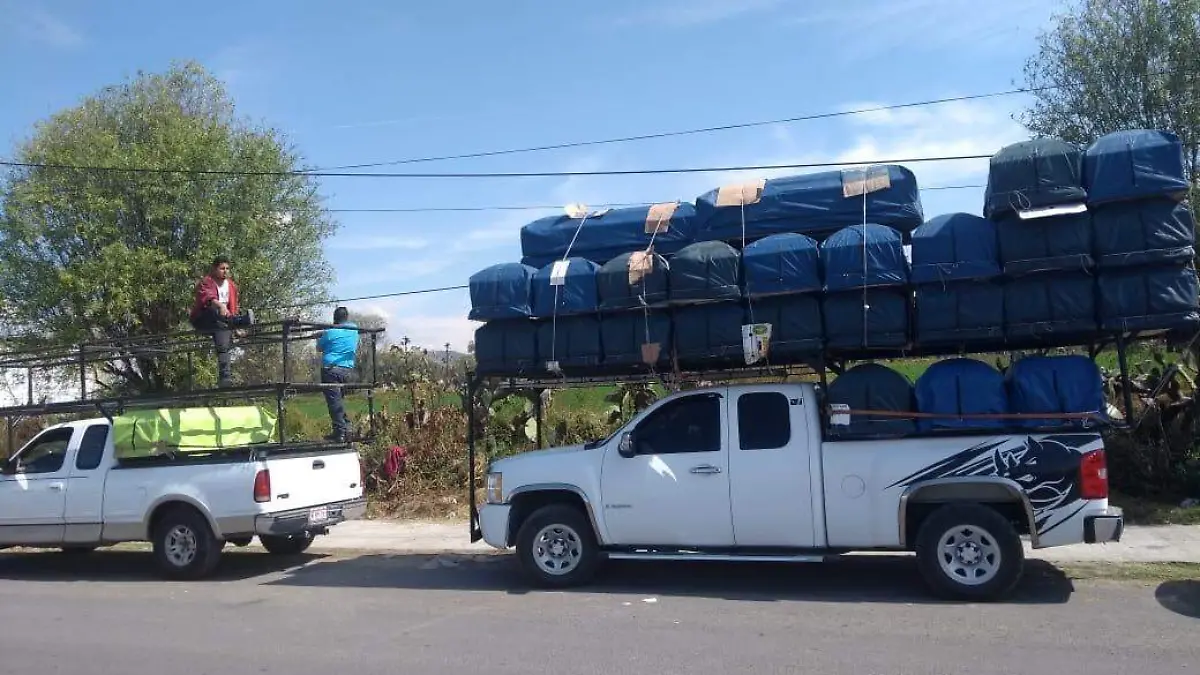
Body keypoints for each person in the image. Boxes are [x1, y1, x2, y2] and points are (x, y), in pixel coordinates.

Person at [189, 255, 255, 388]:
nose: (225, 271)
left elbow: (233, 308)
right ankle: (239, 321)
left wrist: (235, 329)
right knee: (214, 312)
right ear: (214, 269)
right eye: (222, 268)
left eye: (227, 268)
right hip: (202, 319)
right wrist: (220, 305)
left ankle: (225, 378)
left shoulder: (231, 286)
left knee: (223, 339)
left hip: (222, 322)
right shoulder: (207, 282)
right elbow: (208, 299)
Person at [316, 306, 358, 442]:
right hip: (347, 370)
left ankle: (340, 433)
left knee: (334, 402)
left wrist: (319, 336)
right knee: (338, 402)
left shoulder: (329, 332)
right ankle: (346, 428)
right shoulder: (354, 329)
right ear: (346, 317)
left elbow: (319, 348)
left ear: (334, 319)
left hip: (331, 370)